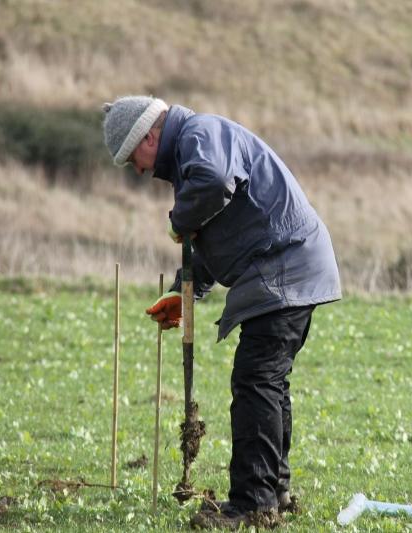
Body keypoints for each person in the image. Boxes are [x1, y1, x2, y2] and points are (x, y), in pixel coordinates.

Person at [102, 96, 341, 529]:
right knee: (268, 381)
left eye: (133, 160)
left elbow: (213, 184)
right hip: (289, 265)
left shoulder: (200, 135)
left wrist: (178, 218)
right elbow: (217, 231)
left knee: (255, 380)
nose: (138, 172)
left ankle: (252, 502)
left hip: (285, 266)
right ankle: (275, 490)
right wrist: (184, 293)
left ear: (150, 136)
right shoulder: (193, 152)